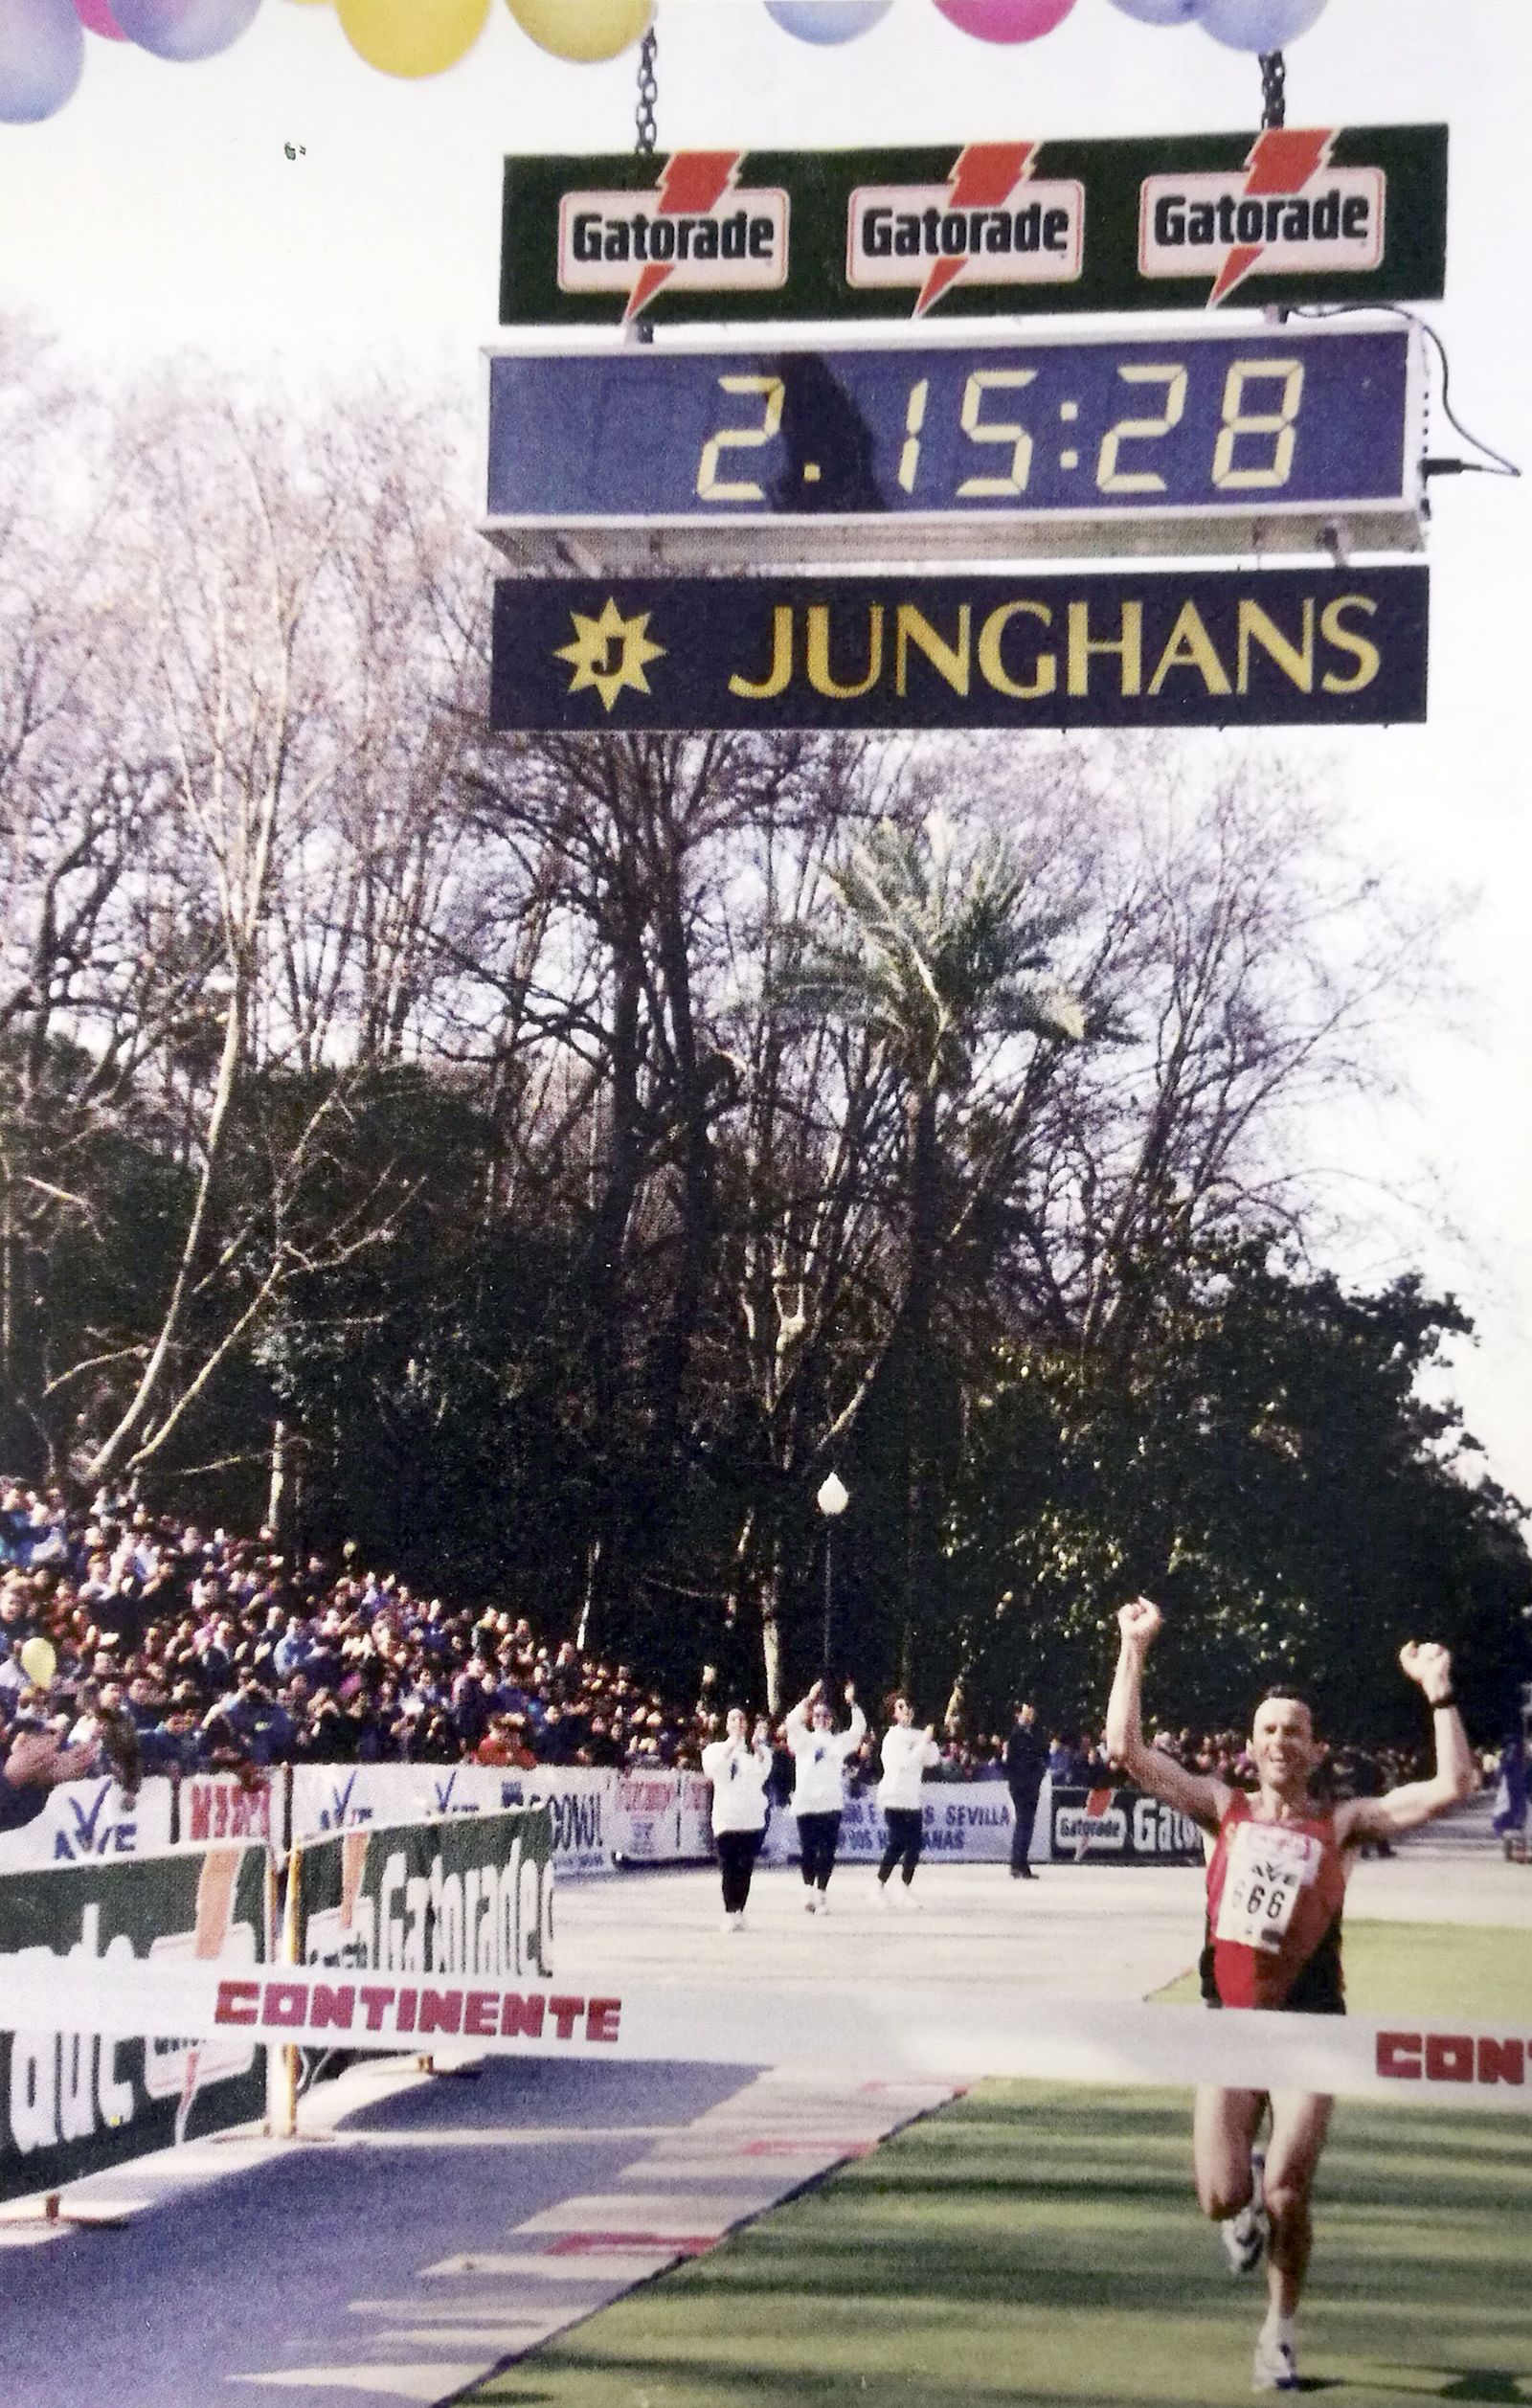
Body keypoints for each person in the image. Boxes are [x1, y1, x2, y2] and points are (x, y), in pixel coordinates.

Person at [1105, 1595, 1477, 2394]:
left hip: (1313, 2028)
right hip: (1227, 2025)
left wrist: (1439, 1690)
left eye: (1294, 1729)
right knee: (1222, 2195)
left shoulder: (1343, 1823)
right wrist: (1134, 1646)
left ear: (1314, 1748)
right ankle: (1242, 2208)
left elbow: (1453, 1784)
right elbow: (1127, 1748)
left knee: (1286, 2189)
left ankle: (1278, 2332)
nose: (1281, 1740)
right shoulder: (1222, 1808)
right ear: (1251, 1746)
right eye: (1268, 1728)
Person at [784, 1678, 867, 1914]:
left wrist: (852, 1703)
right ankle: (808, 1890)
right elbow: (791, 1721)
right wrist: (809, 1700)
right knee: (808, 1850)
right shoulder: (803, 1739)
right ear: (811, 1718)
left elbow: (858, 1730)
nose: (821, 1719)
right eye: (817, 1715)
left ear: (832, 1721)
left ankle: (822, 1894)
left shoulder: (839, 1743)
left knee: (828, 1851)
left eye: (826, 1716)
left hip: (830, 1804)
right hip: (806, 1803)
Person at [701, 1705, 773, 1933]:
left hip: (751, 1819)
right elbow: (713, 1772)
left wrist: (758, 1750)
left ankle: (739, 1909)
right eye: (734, 1719)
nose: (739, 1724)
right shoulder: (714, 1749)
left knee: (745, 1869)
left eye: (742, 1720)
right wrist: (729, 1749)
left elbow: (763, 1773)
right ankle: (729, 1911)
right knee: (728, 1867)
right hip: (726, 1819)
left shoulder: (755, 1752)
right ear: (727, 1724)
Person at [875, 1695, 940, 1903]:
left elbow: (932, 1759)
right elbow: (905, 1763)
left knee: (914, 1845)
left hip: (912, 1798)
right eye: (901, 1707)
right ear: (894, 1713)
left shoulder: (916, 1735)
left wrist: (928, 1742)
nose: (907, 1711)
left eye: (909, 1706)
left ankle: (905, 1886)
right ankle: (879, 1886)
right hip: (893, 1796)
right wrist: (923, 1743)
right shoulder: (892, 1737)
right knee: (897, 1842)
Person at [1003, 1699, 1048, 1879]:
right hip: (1021, 1786)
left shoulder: (1036, 1734)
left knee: (1027, 1825)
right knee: (1023, 1823)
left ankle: (1022, 1862)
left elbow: (1042, 1756)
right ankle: (1017, 1863)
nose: (1029, 1716)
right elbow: (1013, 1763)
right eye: (1026, 1712)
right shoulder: (1015, 1735)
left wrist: (1039, 1774)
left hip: (1032, 1785)